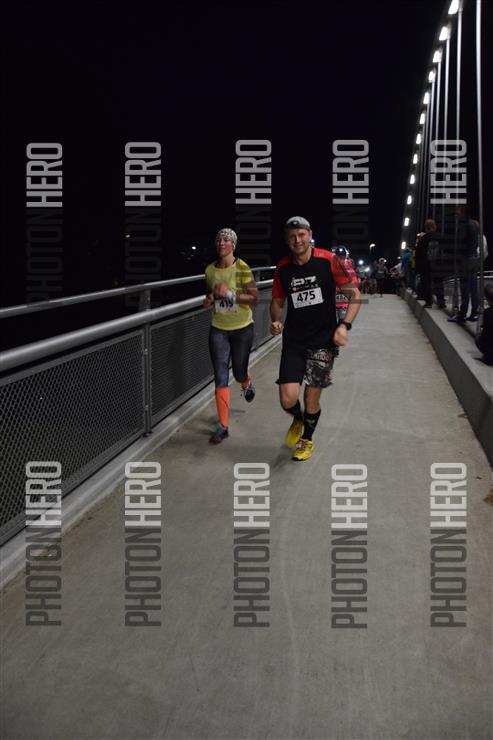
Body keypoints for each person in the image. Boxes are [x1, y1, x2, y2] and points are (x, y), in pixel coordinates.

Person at [270, 216, 361, 461]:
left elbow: (354, 294)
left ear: (309, 235)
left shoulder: (328, 260)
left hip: (323, 341)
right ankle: (298, 419)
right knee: (287, 398)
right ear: (286, 240)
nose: (297, 240)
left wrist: (344, 326)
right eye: (292, 236)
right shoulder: (283, 267)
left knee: (311, 398)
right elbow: (277, 301)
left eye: (301, 235)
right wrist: (275, 320)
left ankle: (307, 439)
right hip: (294, 341)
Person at [204, 228, 258, 443]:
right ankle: (223, 426)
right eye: (219, 239)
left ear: (233, 245)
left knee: (238, 371)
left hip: (242, 327)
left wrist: (228, 293)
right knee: (220, 377)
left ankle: (245, 382)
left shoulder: (242, 267)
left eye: (226, 240)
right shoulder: (209, 270)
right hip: (218, 328)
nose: (222, 243)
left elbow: (254, 298)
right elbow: (211, 293)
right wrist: (210, 298)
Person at [448, 206, 480, 323]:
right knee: (473, 288)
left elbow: (460, 244)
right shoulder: (475, 224)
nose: (456, 215)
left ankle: (462, 315)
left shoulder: (463, 226)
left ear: (463, 213)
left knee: (465, 289)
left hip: (465, 260)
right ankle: (474, 313)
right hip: (474, 258)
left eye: (457, 213)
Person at [415, 219, 439, 307]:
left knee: (426, 282)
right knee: (438, 282)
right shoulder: (438, 237)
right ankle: (441, 302)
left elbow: (418, 253)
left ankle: (428, 302)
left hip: (425, 263)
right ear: (434, 226)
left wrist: (417, 266)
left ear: (426, 227)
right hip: (437, 263)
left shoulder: (423, 239)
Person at [332, 246, 358, 321]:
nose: (340, 259)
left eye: (342, 256)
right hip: (331, 303)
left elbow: (355, 284)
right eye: (338, 256)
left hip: (344, 303)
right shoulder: (329, 267)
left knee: (342, 322)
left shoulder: (349, 269)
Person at [475, 283, 493, 365]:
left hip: (490, 354)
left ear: (488, 300)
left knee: (478, 337)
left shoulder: (487, 312)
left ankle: (486, 356)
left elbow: (485, 331)